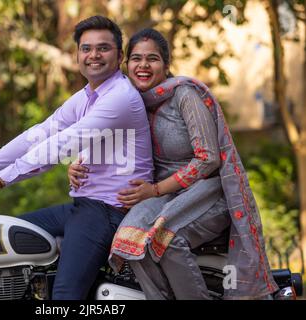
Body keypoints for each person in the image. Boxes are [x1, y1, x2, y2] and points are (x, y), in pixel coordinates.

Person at [68, 28, 278, 299]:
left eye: (152, 58)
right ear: (126, 63)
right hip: (164, 197)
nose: (143, 65)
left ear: (166, 65)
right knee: (133, 241)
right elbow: (102, 143)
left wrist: (154, 190)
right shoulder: (129, 101)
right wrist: (78, 164)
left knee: (165, 238)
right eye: (136, 58)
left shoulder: (184, 96)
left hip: (205, 194)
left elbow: (208, 158)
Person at [0, 16, 154, 300]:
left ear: (120, 56)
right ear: (77, 55)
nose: (93, 55)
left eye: (103, 48)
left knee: (64, 297)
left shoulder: (119, 96)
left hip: (108, 211)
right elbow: (39, 134)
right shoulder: (88, 96)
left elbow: (62, 145)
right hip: (86, 206)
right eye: (86, 49)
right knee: (10, 236)